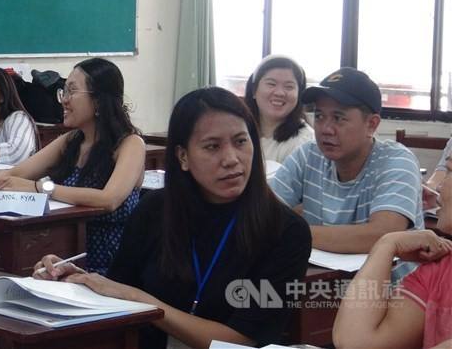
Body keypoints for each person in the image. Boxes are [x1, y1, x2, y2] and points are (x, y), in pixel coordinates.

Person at [34, 87, 312, 349]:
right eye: (212, 147)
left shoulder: (285, 231)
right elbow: (122, 290)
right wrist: (79, 281)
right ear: (182, 157)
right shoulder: (154, 209)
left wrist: (145, 304)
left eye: (241, 142)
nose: (231, 159)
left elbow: (239, 342)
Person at [0, 58, 145, 275]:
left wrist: (41, 188)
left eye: (72, 91)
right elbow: (15, 174)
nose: (64, 100)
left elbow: (109, 199)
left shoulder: (130, 144)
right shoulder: (71, 140)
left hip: (112, 270)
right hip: (65, 259)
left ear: (100, 100)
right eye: (63, 92)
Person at [269, 67, 424, 269]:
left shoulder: (396, 160)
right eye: (319, 116)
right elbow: (263, 214)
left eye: (339, 118)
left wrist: (290, 230)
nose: (326, 129)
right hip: (324, 283)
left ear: (371, 124)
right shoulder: (308, 155)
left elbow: (383, 234)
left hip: (394, 290)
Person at [333, 156, 452, 349]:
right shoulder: (440, 270)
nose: (439, 186)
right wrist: (387, 245)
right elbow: (355, 343)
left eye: (450, 172)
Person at [244, 54, 314, 163]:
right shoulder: (239, 130)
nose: (279, 93)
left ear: (299, 94)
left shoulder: (304, 142)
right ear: (254, 90)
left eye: (289, 86)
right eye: (271, 84)